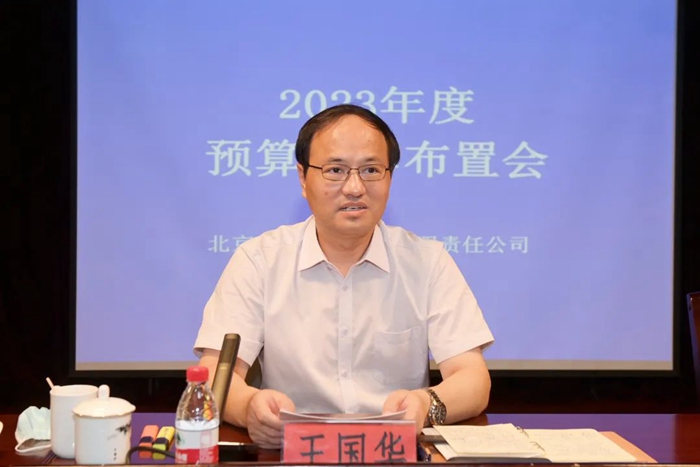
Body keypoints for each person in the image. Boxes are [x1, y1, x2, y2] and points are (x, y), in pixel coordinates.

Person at [194, 104, 493, 449]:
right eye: (335, 170)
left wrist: (425, 404)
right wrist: (250, 408)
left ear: (390, 178)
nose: (354, 187)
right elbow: (215, 375)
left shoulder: (428, 263)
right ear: (303, 178)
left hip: (395, 454)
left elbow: (473, 379)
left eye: (371, 170)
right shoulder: (259, 260)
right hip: (292, 452)